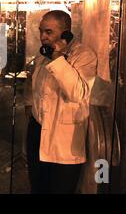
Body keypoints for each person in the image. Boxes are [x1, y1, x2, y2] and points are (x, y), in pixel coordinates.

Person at [26, 10, 97, 194]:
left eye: (48, 32)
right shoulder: (43, 54)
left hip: (63, 139)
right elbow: (37, 87)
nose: (42, 37)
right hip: (37, 128)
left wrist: (58, 59)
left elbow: (78, 93)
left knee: (60, 188)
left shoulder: (84, 55)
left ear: (65, 32)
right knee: (38, 185)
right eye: (41, 31)